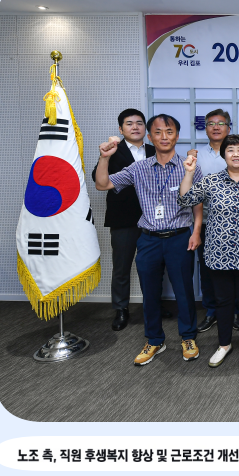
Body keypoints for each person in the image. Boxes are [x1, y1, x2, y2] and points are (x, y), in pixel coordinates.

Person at [95, 114, 203, 366]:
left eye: (169, 132)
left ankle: (188, 337)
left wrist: (196, 231)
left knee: (184, 292)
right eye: (158, 132)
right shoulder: (138, 168)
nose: (164, 137)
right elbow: (102, 184)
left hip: (179, 238)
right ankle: (154, 339)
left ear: (177, 136)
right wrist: (104, 158)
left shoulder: (189, 166)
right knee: (150, 293)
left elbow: (197, 203)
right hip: (148, 239)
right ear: (150, 137)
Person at [178, 135, 239, 368]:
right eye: (230, 150)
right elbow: (184, 200)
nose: (235, 154)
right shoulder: (211, 181)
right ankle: (224, 344)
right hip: (217, 254)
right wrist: (189, 173)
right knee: (223, 302)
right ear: (224, 154)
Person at [91, 109, 157, 331]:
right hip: (123, 218)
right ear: (121, 129)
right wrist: (104, 157)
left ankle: (153, 307)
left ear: (145, 128)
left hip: (153, 218)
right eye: (129, 123)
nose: (135, 127)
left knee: (153, 267)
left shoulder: (155, 149)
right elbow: (98, 180)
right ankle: (121, 309)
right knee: (122, 266)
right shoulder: (112, 150)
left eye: (139, 123)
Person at [186, 108, 234, 334]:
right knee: (207, 270)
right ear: (205, 129)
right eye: (211, 124)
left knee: (235, 270)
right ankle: (212, 311)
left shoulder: (237, 151)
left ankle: (234, 312)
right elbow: (190, 191)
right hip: (205, 223)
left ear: (229, 128)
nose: (216, 127)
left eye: (221, 123)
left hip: (234, 223)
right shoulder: (196, 156)